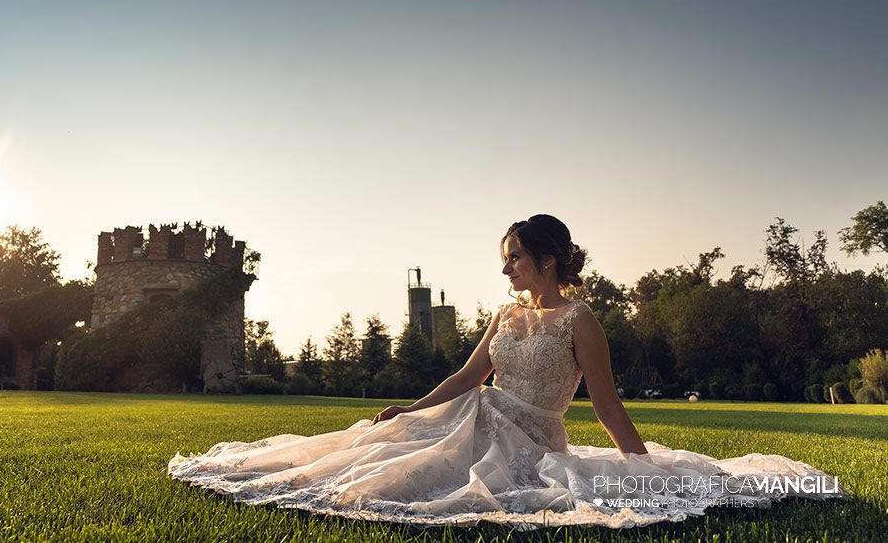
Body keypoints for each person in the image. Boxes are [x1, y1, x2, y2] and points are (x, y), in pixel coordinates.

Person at [168, 215, 850, 530]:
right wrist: (408, 408)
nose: (507, 268)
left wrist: (648, 466)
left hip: (532, 438)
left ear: (552, 258)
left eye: (517, 257)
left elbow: (607, 406)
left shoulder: (582, 321)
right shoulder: (505, 312)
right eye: (506, 259)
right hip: (477, 416)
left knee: (458, 490)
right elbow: (468, 375)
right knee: (376, 456)